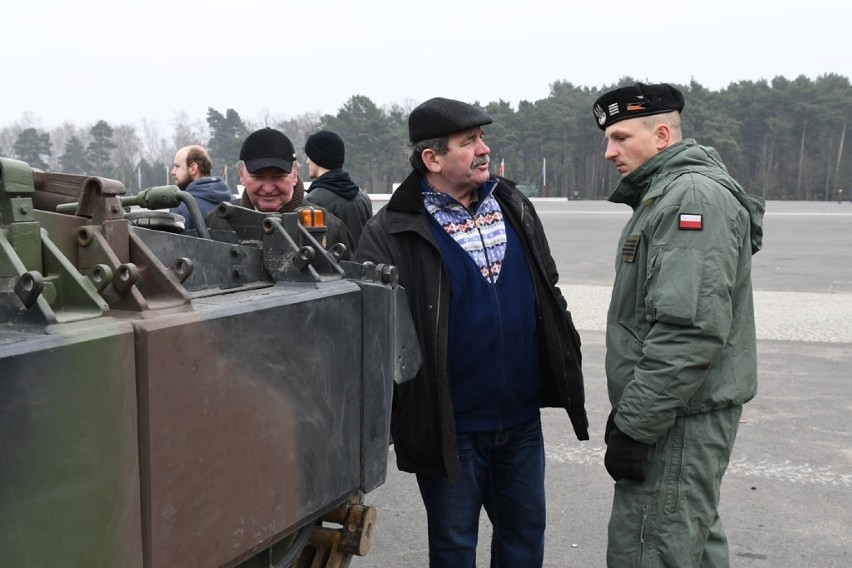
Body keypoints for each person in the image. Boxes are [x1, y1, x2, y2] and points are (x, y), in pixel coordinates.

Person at [354, 97, 588, 567]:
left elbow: (548, 286)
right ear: (432, 158)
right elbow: (376, 337)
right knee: (455, 548)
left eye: (482, 138)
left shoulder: (513, 204)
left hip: (520, 422)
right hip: (449, 427)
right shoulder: (391, 231)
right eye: (469, 141)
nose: (484, 148)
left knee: (524, 540)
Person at [592, 83, 765, 567]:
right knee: (689, 541)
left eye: (621, 137)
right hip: (674, 412)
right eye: (608, 139)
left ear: (662, 134)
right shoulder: (666, 194)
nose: (609, 152)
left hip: (677, 420)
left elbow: (688, 331)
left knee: (651, 547)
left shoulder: (691, 196)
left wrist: (635, 425)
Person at [206, 128, 353, 256]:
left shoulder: (330, 228)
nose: (269, 188)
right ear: (241, 176)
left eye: (279, 177)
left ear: (295, 175)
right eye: (258, 177)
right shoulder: (217, 222)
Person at [303, 130, 373, 248]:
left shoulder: (313, 202)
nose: (307, 162)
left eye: (309, 157)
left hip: (330, 266)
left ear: (318, 158)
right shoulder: (363, 198)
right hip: (363, 266)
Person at [169, 145, 233, 230]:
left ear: (193, 168)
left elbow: (175, 242)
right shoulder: (235, 203)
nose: (172, 172)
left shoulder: (182, 208)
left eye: (177, 166)